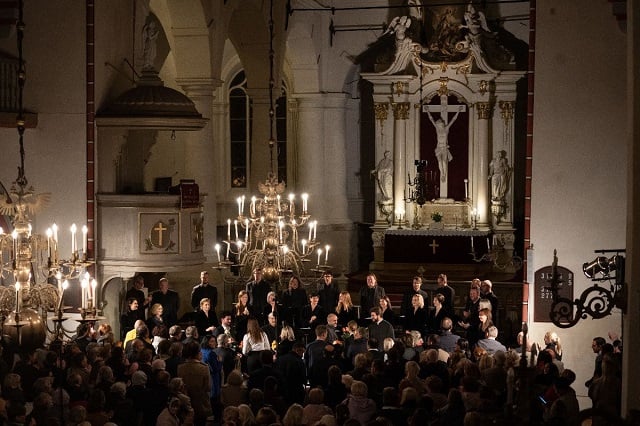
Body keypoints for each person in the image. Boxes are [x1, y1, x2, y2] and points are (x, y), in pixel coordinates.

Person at [177, 341, 212, 425]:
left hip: (185, 403)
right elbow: (208, 387)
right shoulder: (204, 368)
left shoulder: (180, 367)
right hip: (201, 403)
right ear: (197, 352)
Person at [426, 106, 462, 181]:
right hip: (438, 148)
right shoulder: (437, 129)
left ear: (442, 124)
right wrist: (427, 111)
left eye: (440, 124)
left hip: (445, 148)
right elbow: (431, 119)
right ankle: (442, 173)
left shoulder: (446, 129)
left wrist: (458, 111)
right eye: (438, 124)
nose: (439, 125)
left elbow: (453, 120)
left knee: (444, 162)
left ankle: (444, 174)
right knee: (439, 161)